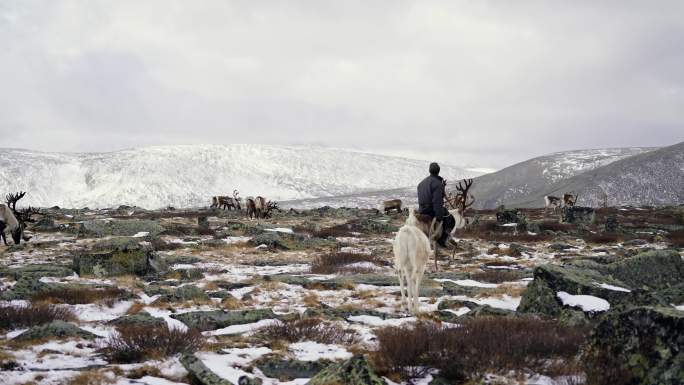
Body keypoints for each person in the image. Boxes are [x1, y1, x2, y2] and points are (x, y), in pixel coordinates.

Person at [417, 162, 455, 247]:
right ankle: (441, 241)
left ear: (429, 171)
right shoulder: (437, 184)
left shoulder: (421, 183)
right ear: (439, 171)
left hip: (422, 210)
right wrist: (439, 217)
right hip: (431, 210)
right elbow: (437, 202)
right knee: (450, 219)